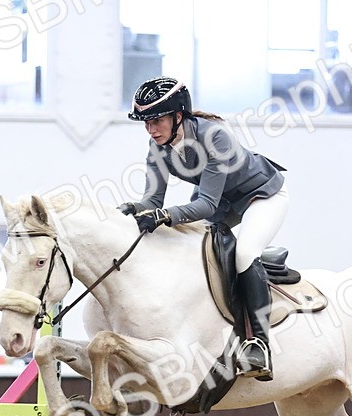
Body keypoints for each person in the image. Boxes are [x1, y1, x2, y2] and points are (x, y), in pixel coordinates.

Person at [119, 76, 287, 381]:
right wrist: (132, 210)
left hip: (261, 196)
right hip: (224, 203)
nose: (150, 129)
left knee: (245, 253)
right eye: (145, 123)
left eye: (156, 120)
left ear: (178, 115)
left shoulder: (215, 137)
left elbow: (206, 205)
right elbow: (153, 199)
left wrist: (164, 215)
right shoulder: (158, 146)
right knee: (190, 250)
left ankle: (259, 344)